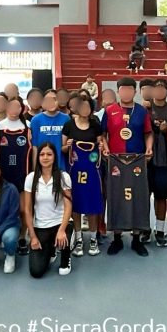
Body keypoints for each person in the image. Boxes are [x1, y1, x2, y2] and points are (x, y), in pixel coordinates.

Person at [101, 76, 153, 256]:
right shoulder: (110, 111)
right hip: (115, 161)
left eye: (129, 89)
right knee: (116, 197)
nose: (126, 92)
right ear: (118, 92)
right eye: (122, 89)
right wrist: (106, 148)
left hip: (137, 161)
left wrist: (149, 148)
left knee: (138, 197)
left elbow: (148, 133)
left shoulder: (141, 111)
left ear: (135, 91)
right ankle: (117, 238)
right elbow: (103, 134)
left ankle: (137, 239)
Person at [22, 143, 73, 278]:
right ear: (38, 157)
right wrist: (32, 236)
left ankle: (66, 256)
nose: (45, 157)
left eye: (49, 154)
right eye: (42, 154)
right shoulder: (31, 178)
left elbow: (68, 206)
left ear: (54, 157)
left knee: (63, 270)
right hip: (41, 226)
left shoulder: (64, 177)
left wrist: (62, 230)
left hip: (60, 223)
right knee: (36, 272)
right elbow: (27, 209)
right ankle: (51, 249)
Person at [63, 94, 104, 257]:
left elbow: (100, 146)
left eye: (88, 107)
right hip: (75, 169)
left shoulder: (96, 125)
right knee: (76, 204)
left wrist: (100, 147)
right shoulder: (69, 125)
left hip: (92, 170)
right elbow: (62, 148)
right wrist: (67, 146)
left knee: (93, 203)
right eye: (82, 106)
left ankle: (93, 238)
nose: (85, 109)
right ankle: (79, 239)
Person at [0, 96, 34, 255]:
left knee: (24, 210)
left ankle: (22, 237)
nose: (13, 109)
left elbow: (33, 150)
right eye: (11, 106)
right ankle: (4, 236)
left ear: (21, 109)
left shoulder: (27, 126)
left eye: (17, 106)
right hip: (4, 175)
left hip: (23, 174)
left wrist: (34, 171)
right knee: (5, 210)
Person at [147, 78, 167, 248]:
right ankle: (144, 229)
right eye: (156, 88)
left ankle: (160, 230)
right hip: (145, 159)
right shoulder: (144, 109)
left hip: (165, 160)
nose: (159, 91)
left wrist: (166, 130)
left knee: (161, 197)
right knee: (143, 196)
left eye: (162, 88)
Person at [30, 91, 70, 172]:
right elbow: (34, 146)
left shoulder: (66, 118)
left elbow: (67, 145)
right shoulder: (36, 120)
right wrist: (35, 168)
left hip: (61, 165)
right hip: (42, 165)